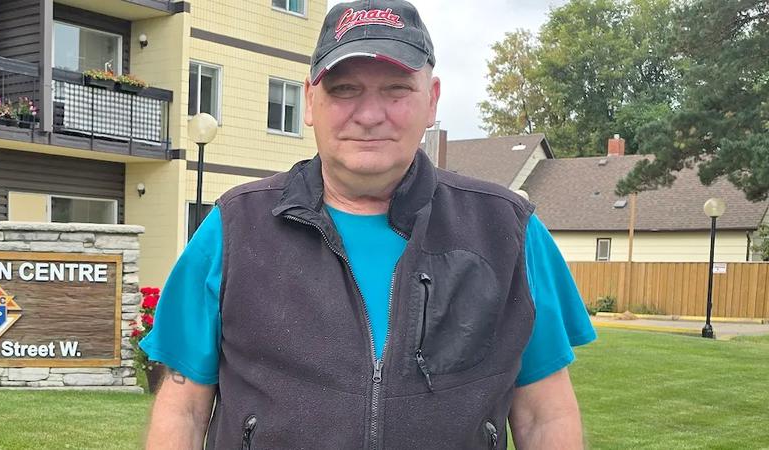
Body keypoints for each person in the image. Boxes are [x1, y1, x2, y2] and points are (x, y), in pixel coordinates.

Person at [140, 1, 596, 448]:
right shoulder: (234, 227)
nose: (370, 115)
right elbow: (183, 410)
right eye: (344, 89)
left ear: (432, 100)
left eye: (396, 89)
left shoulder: (508, 232)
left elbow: (545, 416)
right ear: (310, 100)